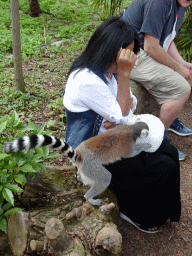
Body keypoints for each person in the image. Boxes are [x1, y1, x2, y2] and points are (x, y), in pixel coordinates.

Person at [63, 17, 181, 233]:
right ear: (107, 48)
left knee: (169, 150)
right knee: (163, 166)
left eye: (131, 53)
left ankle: (168, 211)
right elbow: (124, 112)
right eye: (125, 54)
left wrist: (118, 116)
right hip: (94, 156)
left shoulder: (106, 71)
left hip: (112, 139)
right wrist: (125, 76)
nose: (129, 59)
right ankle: (138, 212)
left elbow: (127, 108)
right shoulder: (86, 79)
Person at [121, 0, 192, 161]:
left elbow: (166, 38)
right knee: (182, 89)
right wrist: (177, 68)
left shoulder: (181, 4)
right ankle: (157, 140)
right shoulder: (160, 2)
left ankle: (169, 119)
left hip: (145, 49)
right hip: (131, 52)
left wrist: (182, 64)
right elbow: (151, 47)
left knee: (189, 75)